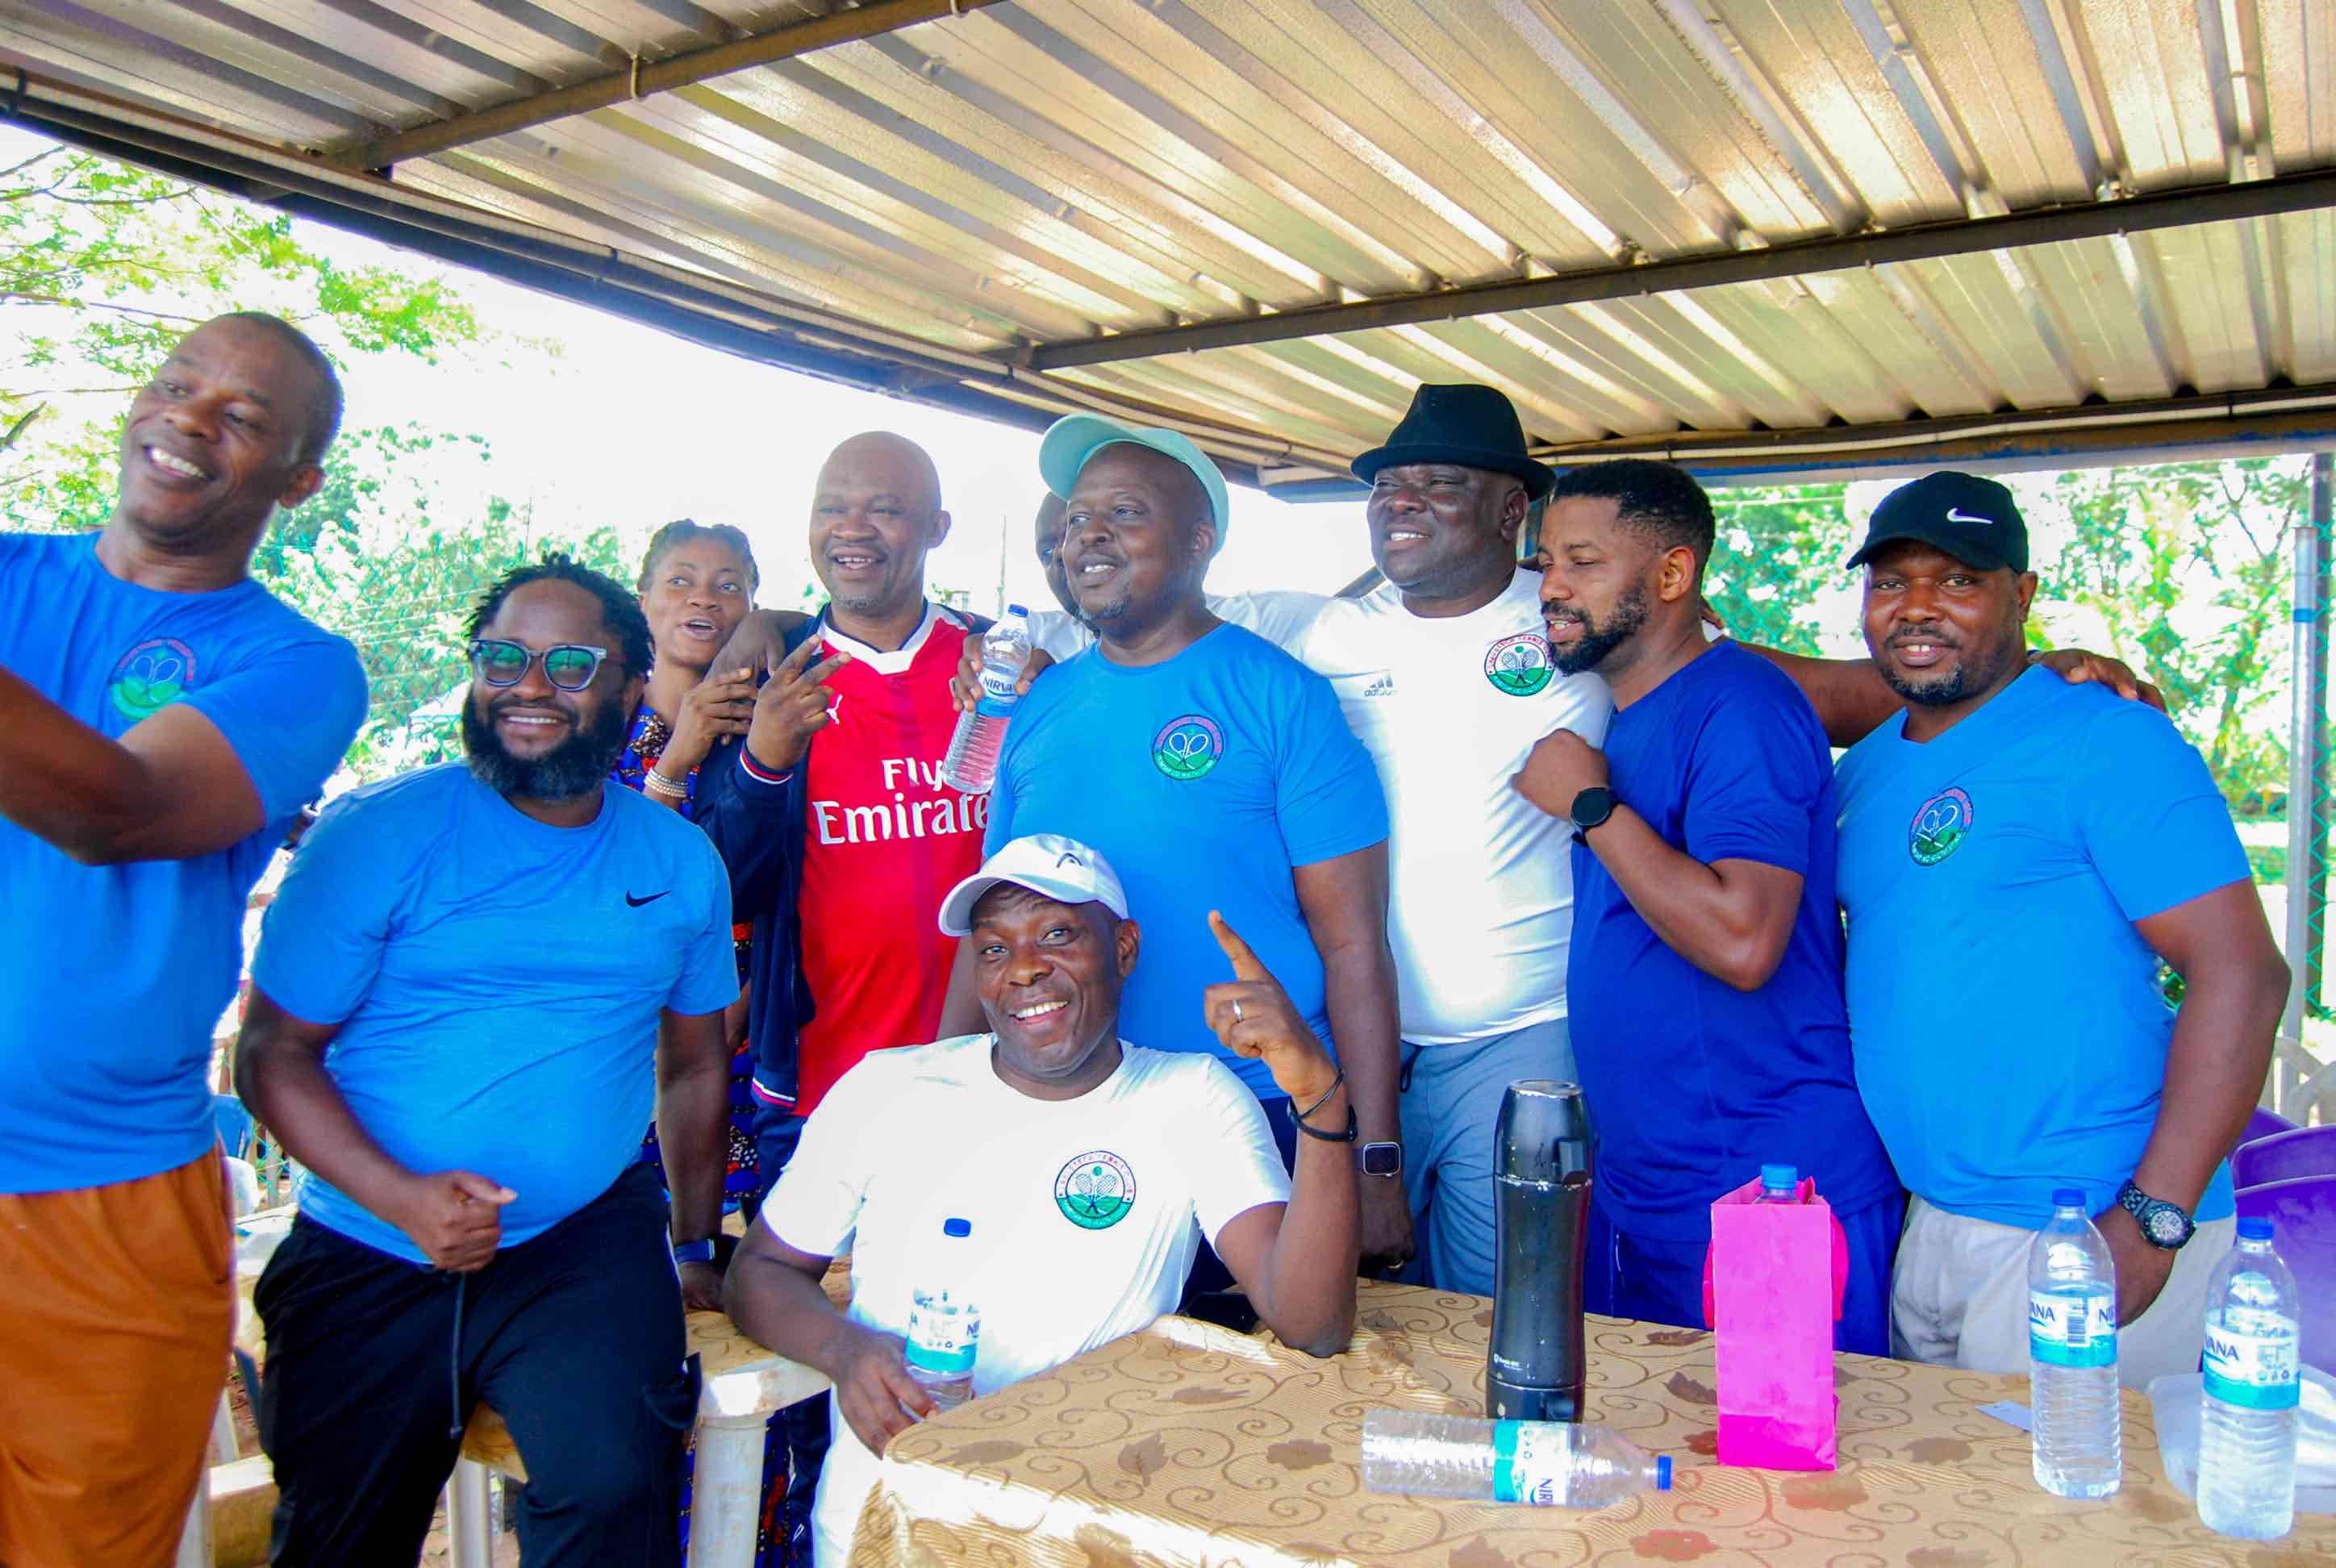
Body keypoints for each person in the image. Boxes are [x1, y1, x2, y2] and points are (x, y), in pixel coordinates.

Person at [236, 557, 738, 1566]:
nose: (529, 686)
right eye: (503, 657)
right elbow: (272, 1056)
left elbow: (693, 1067)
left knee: (614, 1499)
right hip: (371, 1243)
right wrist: (403, 1197)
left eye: (568, 663)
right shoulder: (377, 834)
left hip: (578, 1245)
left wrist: (691, 1244)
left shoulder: (678, 861)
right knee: (340, 1537)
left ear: (632, 688)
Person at [725, 832, 1359, 1563]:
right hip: (887, 1529)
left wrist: (1319, 1096)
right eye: (994, 949)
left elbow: (1312, 1324)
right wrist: (847, 1351)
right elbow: (759, 1272)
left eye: (1058, 935)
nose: (1024, 968)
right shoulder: (888, 1088)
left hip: (1072, 1533)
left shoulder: (1190, 1101)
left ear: (1123, 949)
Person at [0, 312, 368, 1566]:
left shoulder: (298, 665)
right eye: (175, 385)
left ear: (296, 479)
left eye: (244, 417)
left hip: (98, 1197)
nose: (191, 419)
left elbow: (122, 809)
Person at [1832, 472, 2288, 1386]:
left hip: (2087, 1224)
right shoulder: (1868, 771)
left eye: (1957, 581)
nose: (1917, 608)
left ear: (2023, 595)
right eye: (1891, 583)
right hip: (1935, 1218)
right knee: (1946, 1523)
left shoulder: (2106, 737)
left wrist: (2153, 1218)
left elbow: (2242, 971)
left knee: (2083, 1519)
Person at [962, 415, 1405, 1279]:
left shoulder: (1283, 699)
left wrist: (1373, 1155)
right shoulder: (1035, 709)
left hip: (1256, 1115)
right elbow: (988, 929)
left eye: (1123, 512)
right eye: (1079, 515)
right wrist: (959, 1099)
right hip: (1073, 1116)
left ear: (1199, 542)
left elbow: (1353, 943)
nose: (1087, 532)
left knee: (1266, 1392)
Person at [1512, 459, 1901, 1352]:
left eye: (1582, 562)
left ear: (1672, 575)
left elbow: (1743, 939)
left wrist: (1591, 807)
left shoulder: (1741, 706)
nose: (1553, 588)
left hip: (1768, 1188)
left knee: (1785, 1484)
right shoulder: (1632, 712)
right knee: (1674, 1479)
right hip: (1662, 1182)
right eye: (1546, 565)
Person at [690, 431, 992, 1553]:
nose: (854, 528)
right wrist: (763, 759)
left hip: (995, 1085)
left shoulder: (1000, 667)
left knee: (985, 1350)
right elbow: (720, 885)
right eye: (834, 507)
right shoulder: (770, 678)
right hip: (824, 1091)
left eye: (886, 508)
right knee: (816, 1377)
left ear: (937, 531)